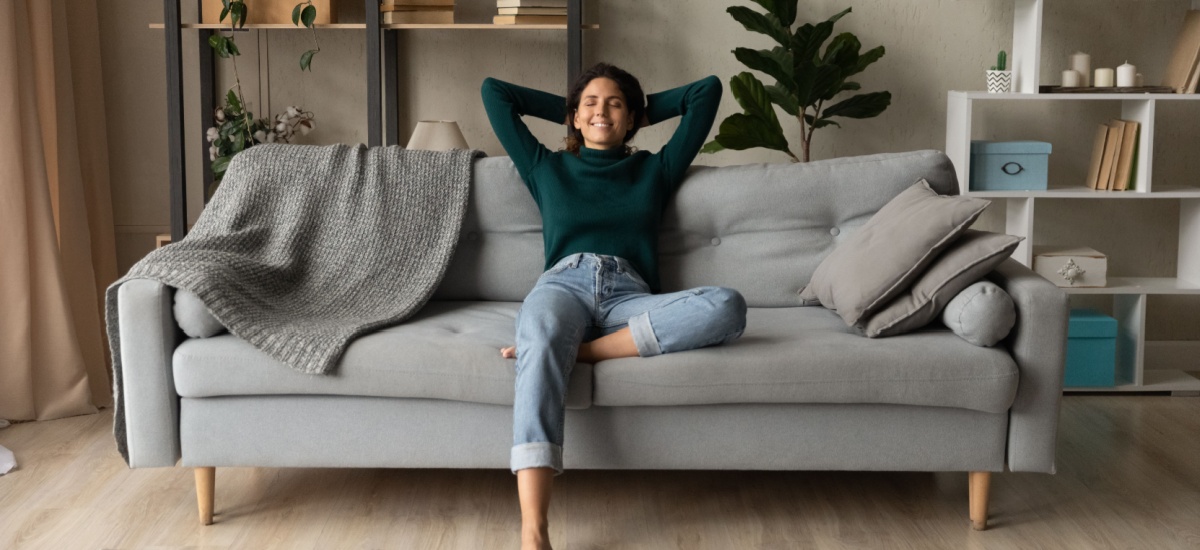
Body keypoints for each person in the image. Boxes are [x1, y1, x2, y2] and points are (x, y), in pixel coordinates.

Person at [481, 63, 747, 550]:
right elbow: (495, 91)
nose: (602, 110)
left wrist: (635, 109)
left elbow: (706, 91)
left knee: (727, 305)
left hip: (631, 295)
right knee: (541, 333)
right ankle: (534, 532)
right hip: (563, 284)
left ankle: (581, 351)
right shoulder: (546, 166)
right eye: (591, 104)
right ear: (574, 119)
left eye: (615, 104)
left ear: (632, 121)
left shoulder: (655, 169)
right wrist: (573, 108)